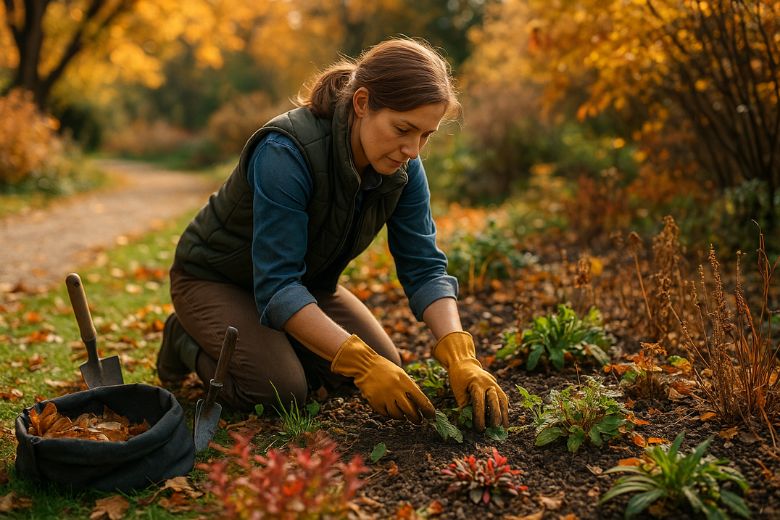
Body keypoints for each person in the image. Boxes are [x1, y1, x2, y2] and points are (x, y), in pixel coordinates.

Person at [156, 37, 509, 431]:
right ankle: (184, 337)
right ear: (362, 104)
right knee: (280, 388)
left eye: (426, 135)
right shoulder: (285, 151)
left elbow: (424, 267)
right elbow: (276, 285)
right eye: (403, 129)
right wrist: (359, 361)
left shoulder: (404, 165)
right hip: (214, 280)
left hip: (309, 284)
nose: (412, 148)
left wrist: (461, 354)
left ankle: (273, 342)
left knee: (386, 365)